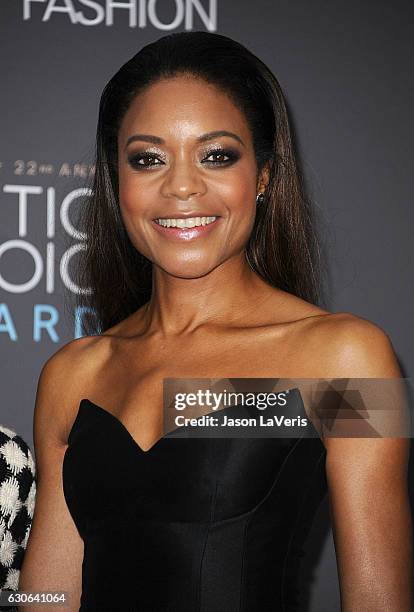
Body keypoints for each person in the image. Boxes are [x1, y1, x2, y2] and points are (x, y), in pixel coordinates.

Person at [18, 31, 413, 611]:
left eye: (217, 155)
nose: (181, 187)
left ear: (264, 175)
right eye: (148, 158)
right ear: (116, 181)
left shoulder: (347, 357)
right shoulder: (71, 375)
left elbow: (381, 602)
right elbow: (46, 599)